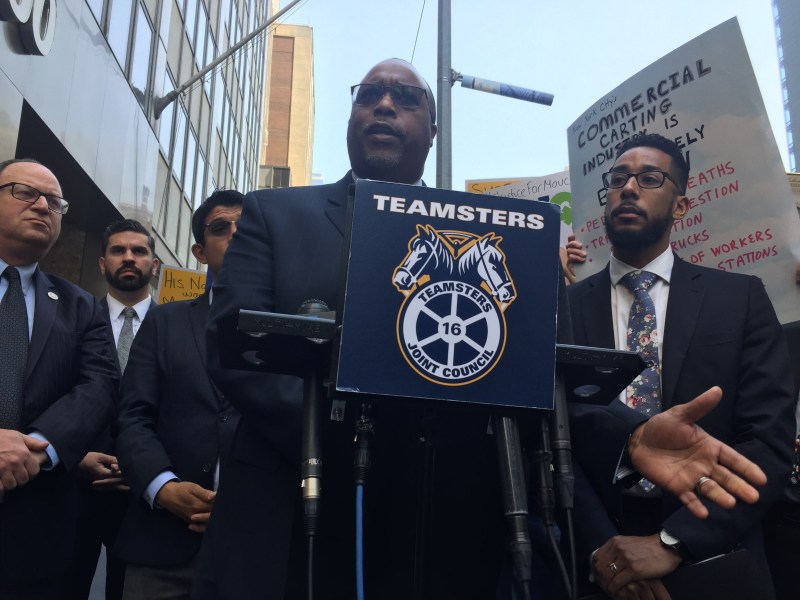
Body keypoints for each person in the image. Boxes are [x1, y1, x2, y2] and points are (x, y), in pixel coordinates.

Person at [567, 133, 796, 599]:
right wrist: (603, 552)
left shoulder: (739, 298)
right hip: (596, 569)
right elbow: (555, 438)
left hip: (718, 557)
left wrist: (673, 542)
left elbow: (768, 440)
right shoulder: (561, 310)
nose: (628, 188)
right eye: (617, 179)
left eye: (650, 178)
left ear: (681, 206)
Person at [112, 190, 243, 599]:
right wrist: (163, 487)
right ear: (200, 252)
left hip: (255, 547)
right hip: (163, 544)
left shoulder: (293, 325)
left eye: (248, 227)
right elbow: (133, 416)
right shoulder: (164, 322)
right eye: (222, 227)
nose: (237, 235)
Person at [0, 158, 118, 598]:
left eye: (54, 201)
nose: (43, 206)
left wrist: (36, 450)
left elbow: (100, 385)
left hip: (38, 524)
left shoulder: (80, 305)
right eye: (25, 193)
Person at [68, 219, 160, 599]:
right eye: (118, 250)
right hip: (75, 489)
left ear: (154, 264)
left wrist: (144, 467)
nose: (129, 258)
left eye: (139, 251)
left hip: (143, 498)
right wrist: (75, 457)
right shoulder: (72, 318)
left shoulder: (177, 326)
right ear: (102, 263)